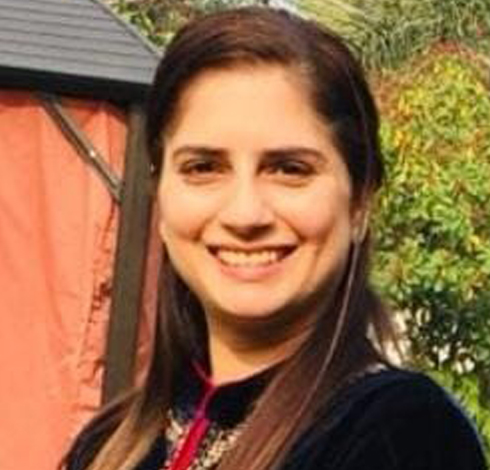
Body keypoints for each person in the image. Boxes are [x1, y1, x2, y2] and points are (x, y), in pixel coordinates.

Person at [62, 7, 487, 470]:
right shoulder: (110, 444)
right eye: (203, 167)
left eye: (289, 169)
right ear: (159, 192)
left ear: (360, 201)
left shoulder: (402, 434)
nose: (245, 214)